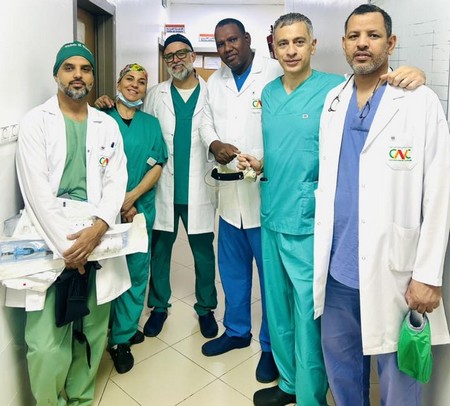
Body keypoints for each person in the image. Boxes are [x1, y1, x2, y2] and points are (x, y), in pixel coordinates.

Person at [237, 12, 426, 406]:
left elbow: (377, 83)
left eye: (298, 42)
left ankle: (310, 395)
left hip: (309, 220)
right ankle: (288, 383)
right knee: (277, 308)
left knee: (309, 316)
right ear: (273, 48)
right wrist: (262, 163)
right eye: (283, 43)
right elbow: (291, 148)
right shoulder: (268, 93)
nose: (291, 51)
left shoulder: (333, 90)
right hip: (271, 211)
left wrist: (414, 72)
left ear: (314, 45)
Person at [313, 4, 450, 405]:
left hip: (396, 269)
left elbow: (439, 193)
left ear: (390, 43)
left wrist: (428, 274)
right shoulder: (334, 100)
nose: (362, 44)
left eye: (373, 35)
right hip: (337, 266)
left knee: (399, 373)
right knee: (341, 365)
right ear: (343, 43)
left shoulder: (420, 101)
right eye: (354, 36)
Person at [16, 41, 129, 405]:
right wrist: (71, 250)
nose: (78, 75)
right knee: (45, 342)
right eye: (69, 68)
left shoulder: (107, 125)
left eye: (85, 68)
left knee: (93, 329)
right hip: (52, 237)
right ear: (56, 75)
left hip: (97, 234)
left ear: (93, 77)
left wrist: (98, 229)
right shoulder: (36, 122)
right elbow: (36, 192)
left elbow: (117, 181)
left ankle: (80, 398)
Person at [95, 34, 219, 339]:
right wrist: (104, 102)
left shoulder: (212, 92)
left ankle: (206, 308)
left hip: (199, 187)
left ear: (192, 56)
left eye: (182, 54)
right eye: (169, 56)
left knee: (203, 252)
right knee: (159, 252)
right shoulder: (155, 94)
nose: (176, 60)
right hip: (162, 188)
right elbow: (140, 129)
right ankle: (159, 306)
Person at [199, 18, 282, 384]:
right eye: (220, 44)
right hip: (230, 198)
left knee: (271, 280)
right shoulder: (214, 82)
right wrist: (214, 143)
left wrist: (260, 159)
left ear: (247, 39)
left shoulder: (274, 72)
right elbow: (205, 123)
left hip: (264, 195)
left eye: (232, 40)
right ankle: (236, 331)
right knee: (232, 272)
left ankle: (271, 346)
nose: (226, 48)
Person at [105, 63, 167, 374]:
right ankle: (107, 332)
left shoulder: (151, 124)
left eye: (141, 82)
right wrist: (118, 202)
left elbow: (157, 165)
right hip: (105, 213)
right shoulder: (100, 118)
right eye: (129, 79)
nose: (135, 85)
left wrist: (131, 198)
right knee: (107, 273)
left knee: (137, 271)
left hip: (139, 210)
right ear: (118, 83)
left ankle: (123, 335)